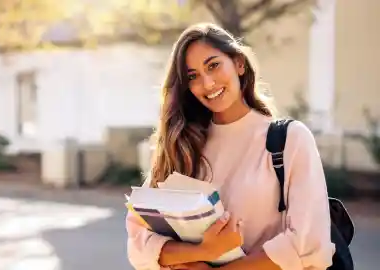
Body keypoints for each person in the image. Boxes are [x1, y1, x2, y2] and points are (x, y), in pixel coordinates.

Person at [125, 23, 335, 270]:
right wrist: (203, 250)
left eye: (213, 65)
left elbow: (307, 246)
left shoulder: (290, 140)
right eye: (193, 76)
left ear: (239, 64)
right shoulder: (182, 145)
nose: (208, 83)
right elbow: (139, 244)